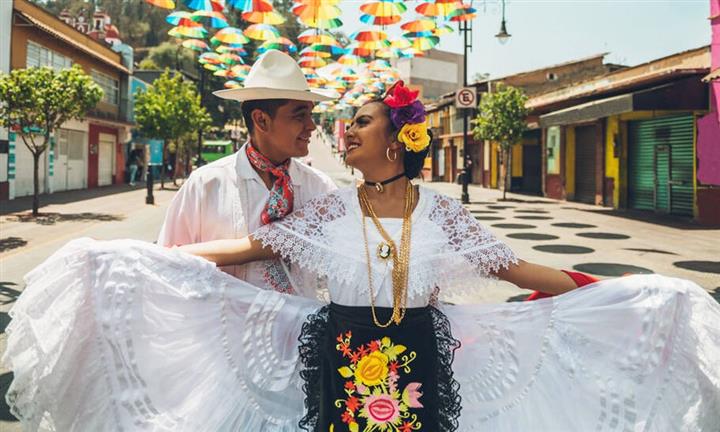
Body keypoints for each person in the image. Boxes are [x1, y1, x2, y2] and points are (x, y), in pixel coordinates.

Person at [4, 82, 719, 432]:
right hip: (339, 360)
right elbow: (245, 248)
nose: (340, 129)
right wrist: (131, 258)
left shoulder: (441, 210)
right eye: (337, 121)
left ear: (399, 139)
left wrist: (622, 287)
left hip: (420, 361)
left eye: (361, 121)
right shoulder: (323, 207)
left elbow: (518, 270)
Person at [157, 49, 336, 292]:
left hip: (298, 329)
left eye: (311, 114)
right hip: (222, 328)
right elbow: (166, 265)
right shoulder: (206, 184)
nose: (311, 126)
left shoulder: (320, 189)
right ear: (261, 120)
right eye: (300, 115)